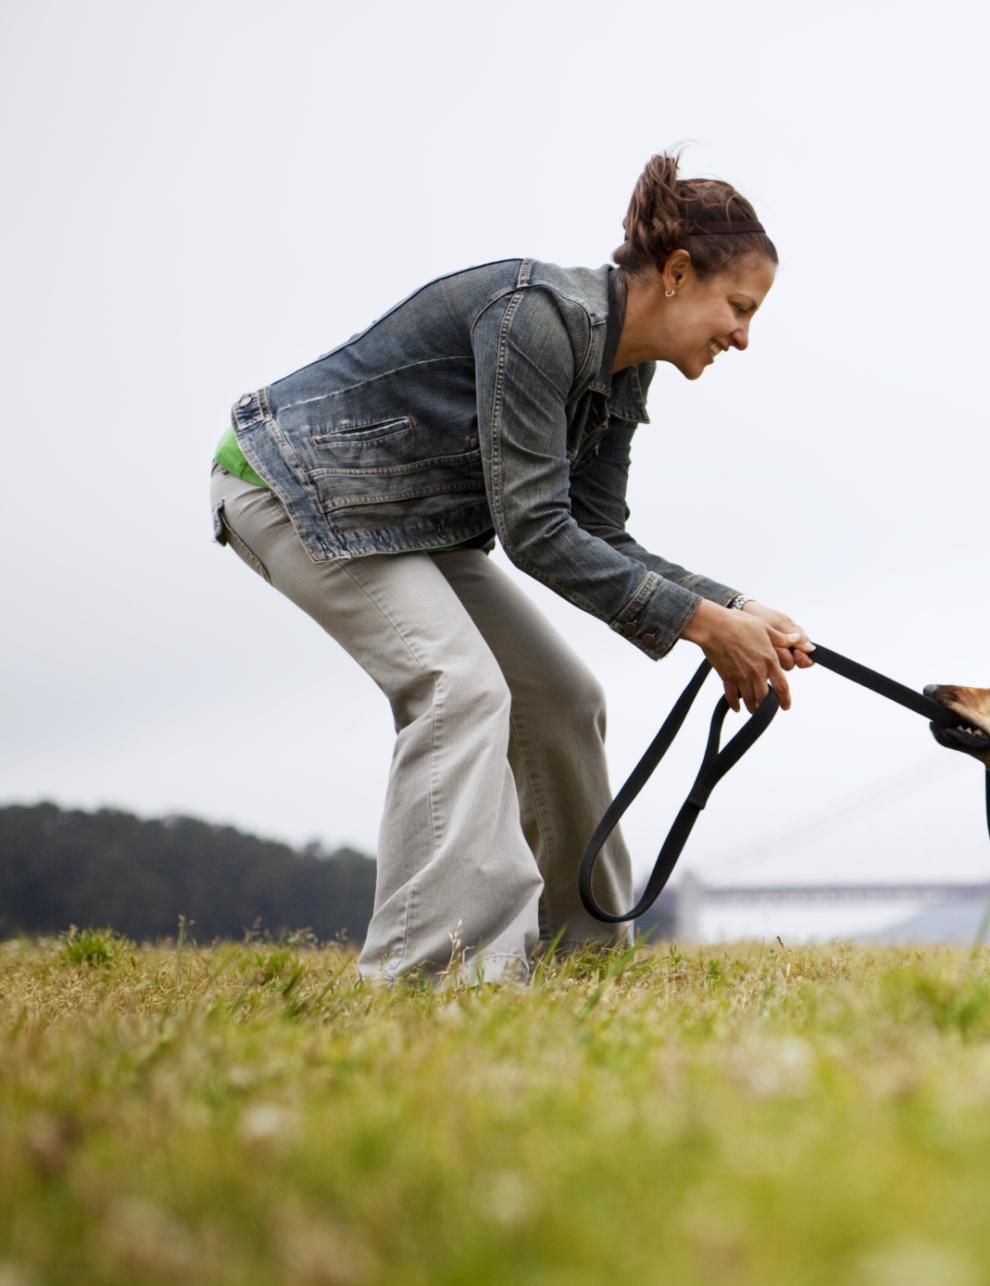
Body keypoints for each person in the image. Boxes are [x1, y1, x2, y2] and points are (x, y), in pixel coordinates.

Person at [208, 150, 813, 984]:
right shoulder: (537, 317)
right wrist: (707, 628)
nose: (744, 336)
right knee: (460, 689)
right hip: (292, 486)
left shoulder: (621, 374)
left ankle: (584, 957)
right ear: (677, 273)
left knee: (565, 699)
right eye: (739, 307)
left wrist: (739, 608)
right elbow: (533, 531)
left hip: (411, 524)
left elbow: (598, 532)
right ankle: (431, 971)